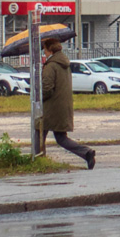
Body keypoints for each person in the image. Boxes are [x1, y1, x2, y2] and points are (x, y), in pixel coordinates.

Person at [37, 38, 96, 169]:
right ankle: (86, 153)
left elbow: (47, 88)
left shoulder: (51, 66)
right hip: (62, 106)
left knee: (38, 133)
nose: (44, 53)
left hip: (50, 108)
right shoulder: (64, 64)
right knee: (60, 138)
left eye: (45, 50)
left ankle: (37, 160)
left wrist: (38, 99)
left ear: (50, 50)